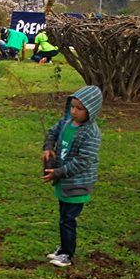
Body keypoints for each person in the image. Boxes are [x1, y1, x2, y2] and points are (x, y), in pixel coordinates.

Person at [42, 86, 104, 265]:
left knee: (68, 219)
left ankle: (67, 254)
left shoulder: (92, 134)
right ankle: (62, 248)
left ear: (91, 110)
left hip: (78, 183)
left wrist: (58, 173)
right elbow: (52, 133)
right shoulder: (66, 122)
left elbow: (82, 162)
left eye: (79, 109)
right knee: (63, 216)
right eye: (73, 107)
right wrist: (48, 147)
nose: (74, 111)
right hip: (65, 182)